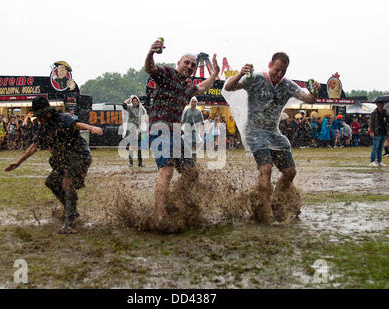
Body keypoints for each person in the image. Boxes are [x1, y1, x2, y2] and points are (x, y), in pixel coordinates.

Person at [223, 52, 321, 225]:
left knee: (290, 172)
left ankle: (276, 199)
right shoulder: (256, 79)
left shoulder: (288, 85)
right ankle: (265, 210)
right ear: (270, 65)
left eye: (283, 71)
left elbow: (308, 98)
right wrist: (240, 73)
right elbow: (229, 87)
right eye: (277, 70)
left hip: (274, 134)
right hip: (254, 131)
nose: (279, 74)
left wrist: (315, 91)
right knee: (266, 168)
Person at [145, 39, 220, 231]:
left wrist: (215, 74)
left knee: (192, 173)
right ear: (178, 63)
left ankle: (175, 200)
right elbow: (150, 68)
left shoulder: (188, 87)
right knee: (167, 170)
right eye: (186, 62)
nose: (189, 66)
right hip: (159, 129)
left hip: (176, 134)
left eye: (193, 65)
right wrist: (151, 53)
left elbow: (202, 87)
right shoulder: (167, 73)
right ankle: (160, 218)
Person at [5, 96, 103, 233]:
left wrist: (91, 127)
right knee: (51, 181)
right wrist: (18, 162)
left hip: (79, 156)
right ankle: (72, 211)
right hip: (63, 160)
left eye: (40, 116)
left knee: (68, 182)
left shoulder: (63, 118)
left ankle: (69, 224)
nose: (39, 119)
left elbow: (77, 125)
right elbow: (34, 146)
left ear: (47, 113)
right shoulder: (44, 127)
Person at [122, 95, 148, 167]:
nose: (135, 102)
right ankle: (131, 163)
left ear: (138, 101)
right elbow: (124, 104)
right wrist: (130, 98)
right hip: (131, 128)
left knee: (139, 146)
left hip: (139, 128)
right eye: (133, 101)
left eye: (136, 101)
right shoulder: (130, 107)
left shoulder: (141, 109)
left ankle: (140, 163)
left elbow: (144, 118)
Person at [369, 102, 389, 167]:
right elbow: (371, 123)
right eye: (379, 105)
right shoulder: (374, 113)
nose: (381, 106)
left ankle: (379, 161)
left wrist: (388, 115)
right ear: (377, 105)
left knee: (381, 148)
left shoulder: (385, 113)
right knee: (375, 147)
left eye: (382, 105)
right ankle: (372, 161)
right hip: (377, 132)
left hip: (383, 132)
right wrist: (371, 131)